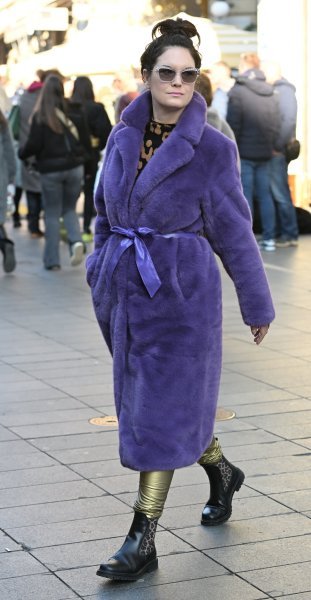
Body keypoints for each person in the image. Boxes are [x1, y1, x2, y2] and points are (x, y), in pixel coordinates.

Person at [86, 18, 275, 582]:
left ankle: (141, 538)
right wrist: (100, 265)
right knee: (164, 406)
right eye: (166, 73)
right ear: (145, 76)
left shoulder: (212, 149)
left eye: (188, 75)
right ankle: (222, 472)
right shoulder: (122, 135)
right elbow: (102, 209)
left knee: (156, 410)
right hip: (124, 291)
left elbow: (236, 231)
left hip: (182, 298)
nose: (177, 83)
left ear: (197, 81)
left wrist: (257, 303)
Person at [19, 75, 91, 270]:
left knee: (51, 213)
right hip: (75, 168)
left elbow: (32, 146)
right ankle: (76, 241)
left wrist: (22, 153)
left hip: (50, 171)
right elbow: (84, 141)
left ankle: (52, 261)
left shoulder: (41, 116)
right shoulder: (74, 111)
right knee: (69, 209)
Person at [227, 53, 279, 252]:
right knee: (265, 195)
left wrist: (232, 149)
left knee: (245, 195)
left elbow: (233, 125)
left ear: (244, 66)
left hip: (244, 152)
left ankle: (246, 237)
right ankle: (269, 238)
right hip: (265, 152)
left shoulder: (238, 91)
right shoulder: (270, 91)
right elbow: (276, 123)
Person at [18, 69, 63, 238]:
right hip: (44, 152)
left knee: (31, 191)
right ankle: (50, 226)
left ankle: (33, 226)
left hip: (26, 149)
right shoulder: (47, 100)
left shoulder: (23, 97)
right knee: (46, 193)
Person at [262, 61, 299, 247]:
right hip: (273, 150)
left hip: (278, 151)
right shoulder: (278, 90)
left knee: (280, 192)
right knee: (274, 191)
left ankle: (290, 234)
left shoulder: (283, 91)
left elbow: (288, 120)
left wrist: (277, 145)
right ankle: (282, 233)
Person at [70, 76, 112, 242]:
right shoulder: (96, 108)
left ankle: (68, 225)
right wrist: (97, 145)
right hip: (91, 155)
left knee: (70, 193)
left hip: (71, 156)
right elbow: (106, 132)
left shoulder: (68, 107)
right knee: (88, 192)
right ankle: (86, 227)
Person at [0, 109, 16, 272]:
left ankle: (5, 244)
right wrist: (11, 178)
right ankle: (5, 243)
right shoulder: (2, 121)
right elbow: (10, 151)